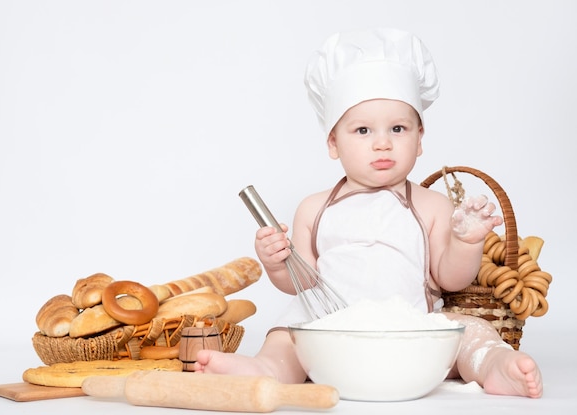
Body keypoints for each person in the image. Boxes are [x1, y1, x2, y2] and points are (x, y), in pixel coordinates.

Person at [195, 28, 543, 398]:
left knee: (468, 331)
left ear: (420, 138)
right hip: (326, 330)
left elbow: (450, 279)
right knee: (287, 336)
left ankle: (493, 365)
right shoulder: (314, 208)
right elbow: (302, 283)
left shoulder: (431, 204)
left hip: (408, 329)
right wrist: (277, 263)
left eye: (398, 128)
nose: (382, 142)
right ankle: (265, 369)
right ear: (333, 142)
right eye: (362, 130)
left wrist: (466, 241)